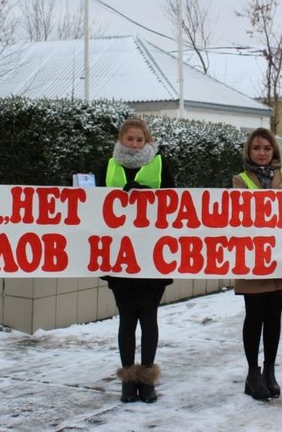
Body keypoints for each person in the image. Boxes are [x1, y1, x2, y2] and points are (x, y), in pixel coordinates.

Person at [96, 118, 175, 404]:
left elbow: (174, 203)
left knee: (149, 318)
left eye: (139, 140)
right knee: (127, 319)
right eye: (129, 139)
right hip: (120, 256)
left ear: (147, 141)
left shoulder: (160, 164)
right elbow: (93, 205)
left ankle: (147, 379)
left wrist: (146, 197)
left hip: (152, 255)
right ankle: (129, 379)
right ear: (121, 139)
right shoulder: (107, 166)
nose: (134, 144)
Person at [232, 127, 282, 401]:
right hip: (253, 259)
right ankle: (253, 373)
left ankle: (269, 371)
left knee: (274, 317)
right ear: (249, 151)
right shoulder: (240, 180)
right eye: (256, 148)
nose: (262, 153)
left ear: (274, 150)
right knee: (254, 316)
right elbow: (238, 218)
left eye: (266, 148)